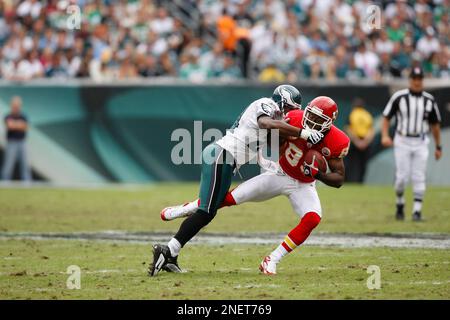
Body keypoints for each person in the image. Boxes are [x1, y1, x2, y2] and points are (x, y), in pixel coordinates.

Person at [149, 85, 325, 276]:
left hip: (227, 161)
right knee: (207, 212)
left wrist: (272, 164)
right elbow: (266, 123)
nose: (290, 114)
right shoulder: (265, 104)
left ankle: (171, 252)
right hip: (221, 156)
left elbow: (264, 144)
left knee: (211, 208)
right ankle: (166, 249)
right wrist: (302, 133)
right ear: (282, 102)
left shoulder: (275, 122)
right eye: (290, 109)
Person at [381, 67, 442, 221]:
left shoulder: (429, 100)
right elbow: (386, 116)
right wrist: (384, 135)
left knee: (419, 176)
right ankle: (400, 202)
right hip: (402, 140)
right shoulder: (399, 97)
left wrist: (438, 146)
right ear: (410, 80)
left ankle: (417, 211)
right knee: (402, 177)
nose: (417, 81)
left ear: (422, 80)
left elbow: (435, 125)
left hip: (421, 141)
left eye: (419, 79)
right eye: (414, 78)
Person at [1, 96, 31, 181]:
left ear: (20, 106)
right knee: (8, 165)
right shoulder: (7, 116)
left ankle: (27, 184)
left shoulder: (24, 116)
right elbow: (10, 125)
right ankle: (5, 183)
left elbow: (25, 126)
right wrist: (19, 124)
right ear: (11, 106)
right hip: (11, 142)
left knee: (25, 164)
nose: (16, 107)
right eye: (14, 105)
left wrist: (15, 124)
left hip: (22, 142)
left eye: (17, 105)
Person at [344, 98, 374, 182]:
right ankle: (360, 181)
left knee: (350, 163)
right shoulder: (367, 115)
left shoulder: (352, 114)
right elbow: (371, 130)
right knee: (362, 165)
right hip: (365, 143)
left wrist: (357, 142)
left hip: (354, 142)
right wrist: (365, 142)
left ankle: (348, 181)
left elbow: (348, 129)